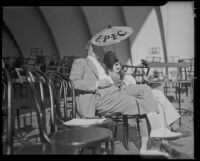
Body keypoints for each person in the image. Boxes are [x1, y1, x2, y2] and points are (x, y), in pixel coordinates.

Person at [70, 41, 172, 156]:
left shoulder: (102, 64)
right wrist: (97, 84)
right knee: (143, 104)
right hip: (103, 97)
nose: (103, 48)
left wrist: (119, 80)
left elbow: (112, 79)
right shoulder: (81, 62)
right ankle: (150, 141)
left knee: (145, 88)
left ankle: (151, 136)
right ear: (92, 47)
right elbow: (73, 82)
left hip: (117, 90)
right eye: (100, 45)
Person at [103, 51, 189, 137]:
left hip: (134, 93)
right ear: (109, 66)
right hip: (124, 99)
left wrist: (127, 78)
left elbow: (132, 82)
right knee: (154, 100)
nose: (118, 66)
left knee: (157, 96)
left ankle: (166, 131)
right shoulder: (106, 76)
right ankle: (168, 130)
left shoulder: (121, 73)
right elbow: (111, 91)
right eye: (115, 64)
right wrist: (121, 85)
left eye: (118, 64)